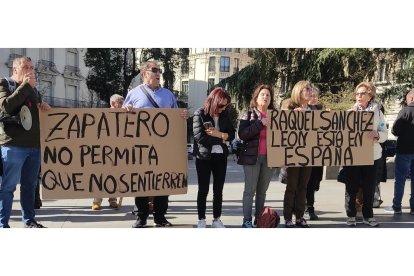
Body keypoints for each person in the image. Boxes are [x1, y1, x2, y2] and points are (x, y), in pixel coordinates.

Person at [123, 60, 188, 228]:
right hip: (140, 146)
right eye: (155, 70)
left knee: (162, 181)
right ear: (145, 74)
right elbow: (120, 119)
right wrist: (126, 111)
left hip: (163, 146)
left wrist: (183, 116)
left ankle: (160, 216)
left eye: (160, 70)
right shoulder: (134, 93)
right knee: (141, 181)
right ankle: (141, 217)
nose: (159, 73)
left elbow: (176, 119)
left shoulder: (168, 95)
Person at [0, 56, 51, 228]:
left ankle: (29, 221)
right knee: (8, 187)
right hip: (13, 145)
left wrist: (43, 107)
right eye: (25, 67)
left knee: (30, 187)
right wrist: (25, 86)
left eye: (31, 67)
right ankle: (3, 225)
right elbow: (6, 107)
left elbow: (33, 116)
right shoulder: (5, 84)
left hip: (34, 146)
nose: (30, 70)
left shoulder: (34, 91)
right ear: (15, 70)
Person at [342, 82, 387, 227]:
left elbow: (384, 134)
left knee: (369, 187)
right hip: (353, 156)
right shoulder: (350, 112)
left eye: (362, 93)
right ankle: (351, 215)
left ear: (370, 95)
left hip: (372, 156)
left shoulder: (378, 113)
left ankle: (368, 216)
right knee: (351, 187)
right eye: (357, 94)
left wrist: (377, 135)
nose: (359, 96)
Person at [192, 87, 235, 228]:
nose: (224, 108)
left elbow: (232, 134)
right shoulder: (200, 113)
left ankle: (217, 219)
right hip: (204, 157)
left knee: (218, 190)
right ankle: (201, 219)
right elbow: (200, 138)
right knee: (203, 189)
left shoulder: (225, 114)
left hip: (221, 156)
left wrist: (219, 134)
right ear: (214, 101)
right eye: (222, 105)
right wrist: (222, 137)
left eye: (226, 105)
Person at [237, 84, 276, 228]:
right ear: (256, 98)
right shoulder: (248, 114)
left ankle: (259, 220)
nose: (265, 97)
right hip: (252, 158)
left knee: (262, 192)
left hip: (269, 159)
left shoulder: (276, 115)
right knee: (250, 191)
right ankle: (246, 221)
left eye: (268, 95)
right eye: (262, 95)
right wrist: (260, 123)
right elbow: (242, 134)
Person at [280, 80, 313, 228]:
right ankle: (288, 217)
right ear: (299, 91)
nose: (310, 91)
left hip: (308, 154)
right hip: (292, 153)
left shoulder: (313, 108)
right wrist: (292, 115)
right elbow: (279, 125)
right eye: (307, 89)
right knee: (292, 186)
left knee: (303, 187)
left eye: (310, 88)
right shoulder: (289, 105)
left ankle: (299, 216)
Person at [91, 94, 124, 210]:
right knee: (100, 176)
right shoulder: (103, 115)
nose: (120, 105)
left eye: (121, 102)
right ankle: (97, 201)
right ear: (112, 103)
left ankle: (112, 199)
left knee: (114, 176)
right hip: (103, 152)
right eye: (118, 103)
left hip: (118, 152)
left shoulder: (124, 115)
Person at [385, 89, 414, 214]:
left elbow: (395, 130)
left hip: (404, 150)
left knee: (400, 179)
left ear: (411, 98)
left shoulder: (405, 111)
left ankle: (397, 206)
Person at [304, 84, 324, 220]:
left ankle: (309, 206)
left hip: (318, 153)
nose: (314, 98)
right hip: (304, 153)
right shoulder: (299, 109)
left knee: (314, 182)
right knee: (306, 182)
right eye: (311, 95)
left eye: (316, 96)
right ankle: (307, 208)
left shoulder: (320, 110)